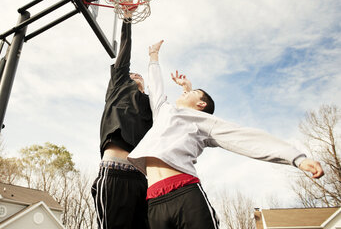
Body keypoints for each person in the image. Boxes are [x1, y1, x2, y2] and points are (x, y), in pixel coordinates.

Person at [128, 40, 324, 229]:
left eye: (194, 92)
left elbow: (243, 137)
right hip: (154, 200)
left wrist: (296, 158)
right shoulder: (164, 111)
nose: (186, 92)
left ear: (201, 105)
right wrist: (154, 55)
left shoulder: (205, 123)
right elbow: (157, 89)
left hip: (185, 194)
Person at [91, 14, 153, 229]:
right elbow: (124, 52)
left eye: (139, 75)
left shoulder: (151, 106)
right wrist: (127, 19)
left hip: (142, 180)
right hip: (114, 171)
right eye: (131, 73)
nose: (135, 74)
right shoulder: (119, 86)